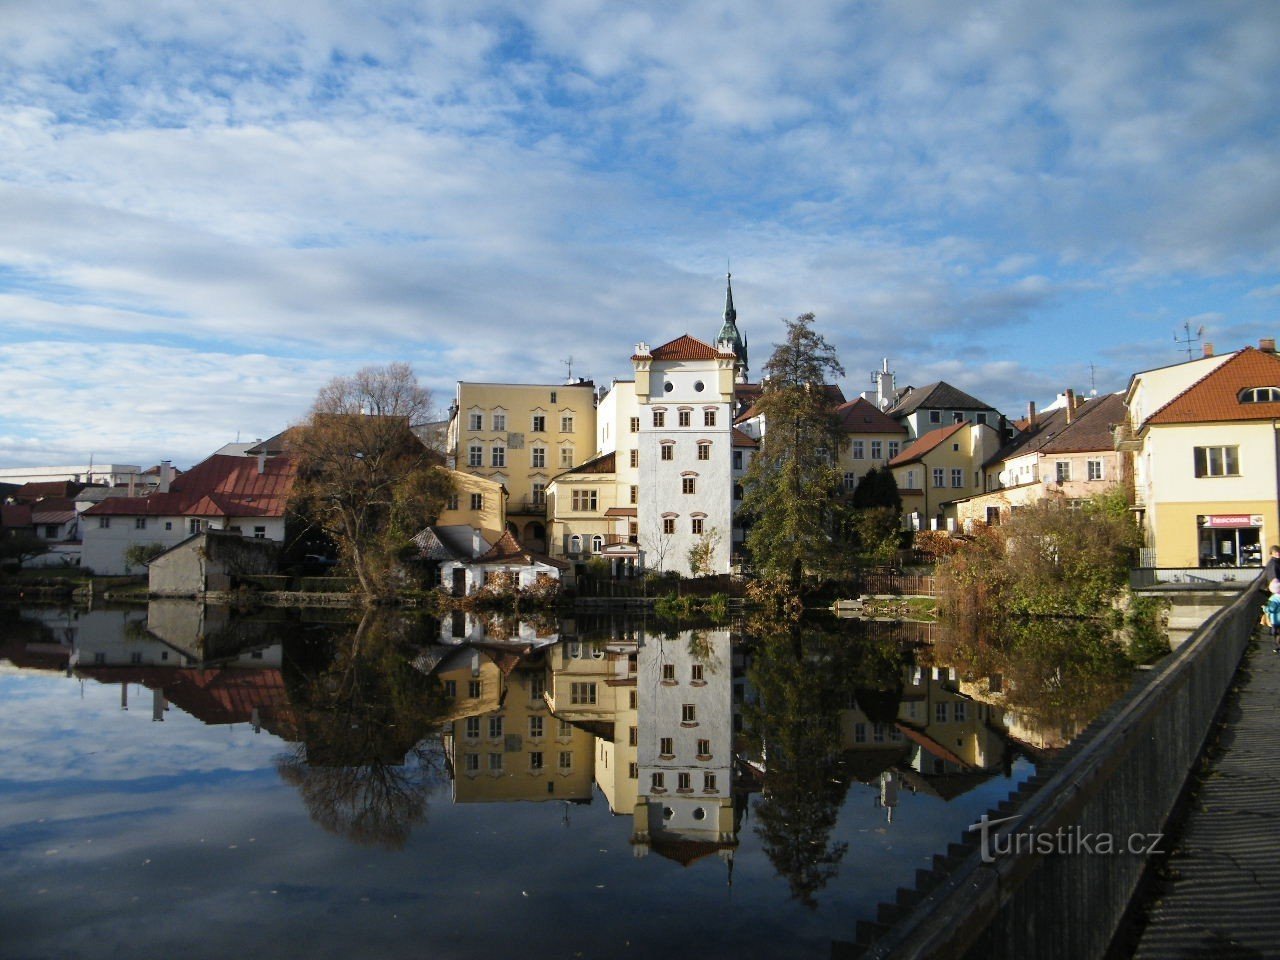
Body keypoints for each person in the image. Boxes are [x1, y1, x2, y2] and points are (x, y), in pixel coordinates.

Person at [1267, 579, 1280, 654]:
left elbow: (1271, 609)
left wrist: (1266, 609)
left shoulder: (1273, 598)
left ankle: (1278, 646)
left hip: (1275, 620)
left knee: (1275, 633)